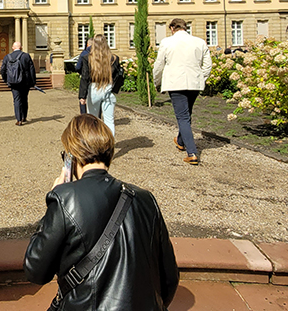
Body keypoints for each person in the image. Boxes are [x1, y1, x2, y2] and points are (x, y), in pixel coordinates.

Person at [24, 114, 179, 310]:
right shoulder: (146, 198)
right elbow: (169, 277)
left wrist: (54, 200)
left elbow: (35, 271)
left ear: (71, 157)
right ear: (110, 154)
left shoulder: (65, 198)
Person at [153, 18, 212, 165]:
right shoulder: (199, 42)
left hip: (175, 83)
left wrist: (157, 82)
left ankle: (192, 152)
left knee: (183, 117)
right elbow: (207, 65)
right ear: (185, 27)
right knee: (186, 114)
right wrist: (200, 78)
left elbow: (159, 65)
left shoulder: (167, 42)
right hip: (194, 83)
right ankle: (180, 141)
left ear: (172, 28)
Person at [78, 34, 121, 135]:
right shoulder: (114, 58)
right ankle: (110, 146)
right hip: (108, 88)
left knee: (92, 121)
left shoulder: (87, 58)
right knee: (109, 120)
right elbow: (116, 76)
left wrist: (82, 96)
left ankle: (94, 145)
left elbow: (85, 77)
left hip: (93, 90)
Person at [0, 41, 36, 126]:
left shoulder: (7, 57)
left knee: (16, 100)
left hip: (13, 82)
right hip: (25, 82)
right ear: (21, 47)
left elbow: (2, 70)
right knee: (24, 99)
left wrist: (6, 80)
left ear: (13, 47)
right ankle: (24, 116)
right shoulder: (26, 56)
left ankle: (19, 120)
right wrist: (33, 81)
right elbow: (32, 69)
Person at [75, 37, 93, 114]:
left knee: (83, 99)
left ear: (87, 44)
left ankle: (84, 117)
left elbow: (78, 67)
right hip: (98, 81)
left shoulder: (84, 54)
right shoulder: (100, 53)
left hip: (86, 78)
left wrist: (81, 72)